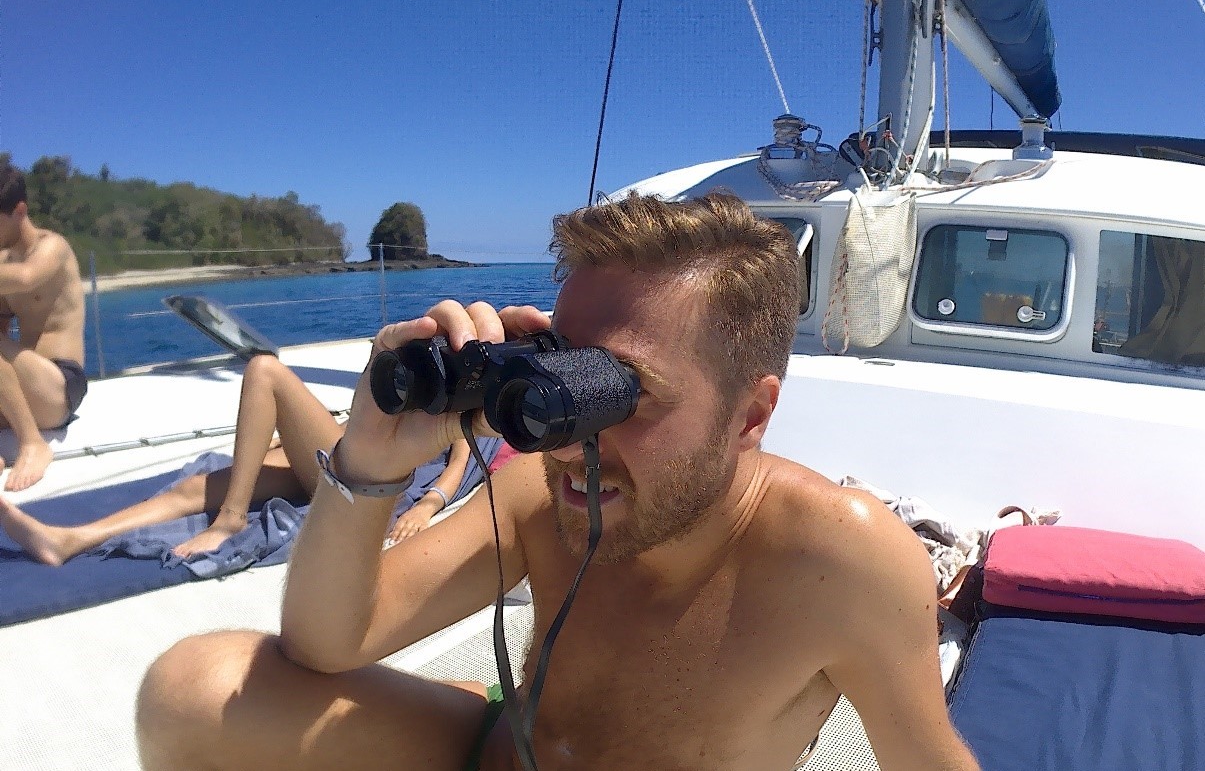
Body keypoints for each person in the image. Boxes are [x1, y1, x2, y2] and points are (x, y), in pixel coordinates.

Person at [135, 192, 980, 770]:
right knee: (194, 688)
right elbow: (328, 643)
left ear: (749, 415)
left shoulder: (839, 560)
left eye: (626, 392)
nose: (575, 442)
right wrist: (371, 464)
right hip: (502, 749)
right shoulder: (543, 491)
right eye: (564, 382)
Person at [0, 352, 471, 565]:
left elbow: (460, 462)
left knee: (265, 369)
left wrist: (429, 506)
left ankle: (229, 521)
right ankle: (69, 540)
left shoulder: (456, 397)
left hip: (374, 477)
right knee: (193, 488)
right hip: (333, 455)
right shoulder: (408, 376)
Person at [0, 165, 88, 492]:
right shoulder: (2, 262)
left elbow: (27, 277)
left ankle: (33, 445)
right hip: (26, 390)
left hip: (60, 386)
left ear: (19, 210)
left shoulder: (52, 247)